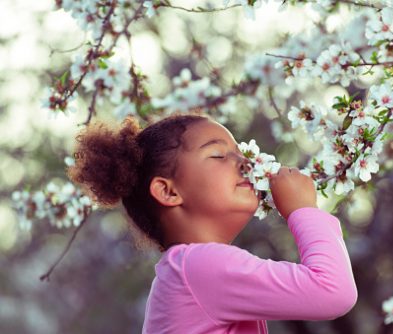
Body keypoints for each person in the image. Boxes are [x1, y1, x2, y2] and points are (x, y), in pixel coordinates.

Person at [67, 112, 358, 334]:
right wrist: (303, 210)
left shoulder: (189, 269)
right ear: (168, 191)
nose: (245, 164)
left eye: (241, 154)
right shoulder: (198, 265)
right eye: (219, 155)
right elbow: (333, 292)